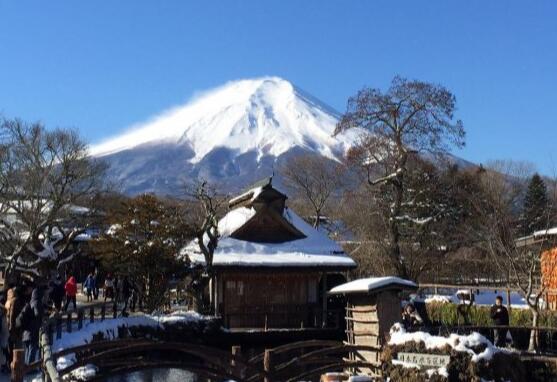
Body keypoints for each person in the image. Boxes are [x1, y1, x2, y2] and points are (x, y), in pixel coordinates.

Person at [16, 288, 44, 364]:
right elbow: (37, 314)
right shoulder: (36, 302)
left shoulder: (31, 302)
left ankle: (26, 367)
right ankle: (30, 368)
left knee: (28, 350)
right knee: (32, 350)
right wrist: (42, 317)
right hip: (32, 331)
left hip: (26, 332)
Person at [5, 286, 24, 366]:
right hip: (13, 327)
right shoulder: (15, 300)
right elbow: (12, 315)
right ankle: (13, 363)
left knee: (10, 345)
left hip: (7, 325)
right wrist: (12, 327)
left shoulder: (8, 300)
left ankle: (8, 363)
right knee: (14, 346)